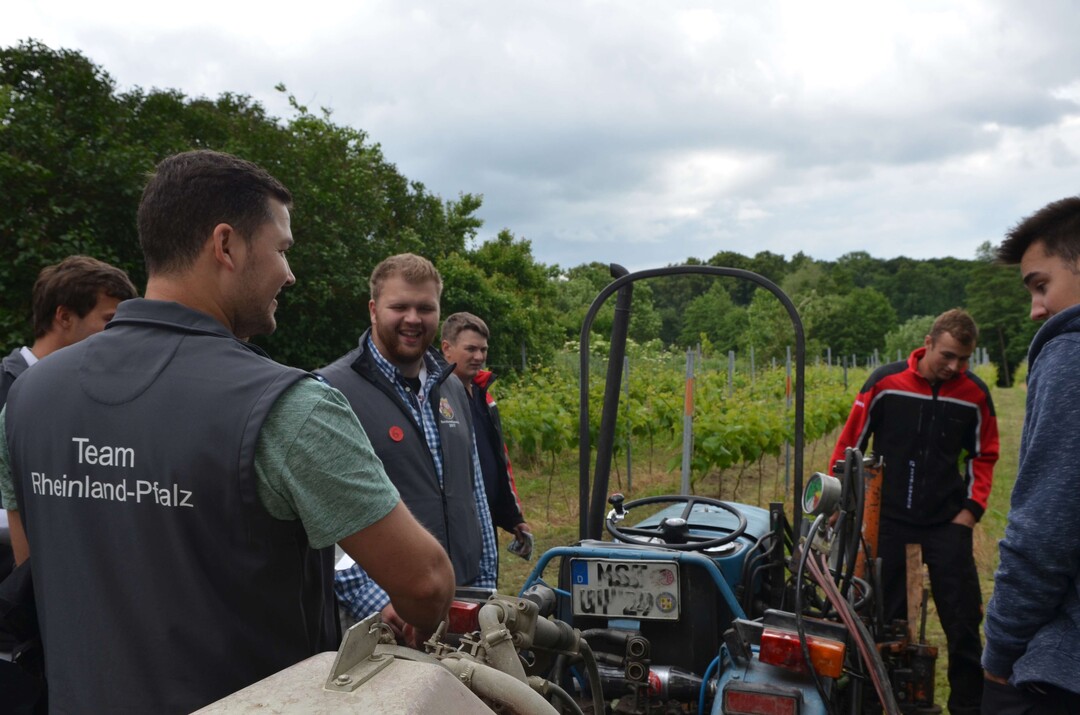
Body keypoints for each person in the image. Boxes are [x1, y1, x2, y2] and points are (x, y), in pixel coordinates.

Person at [0, 150, 455, 714]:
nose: (289, 273)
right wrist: (412, 614)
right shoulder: (288, 406)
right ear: (226, 245)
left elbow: (36, 568)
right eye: (282, 249)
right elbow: (427, 582)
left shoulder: (27, 397)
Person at [319, 254, 498, 639]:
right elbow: (321, 514)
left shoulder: (452, 387)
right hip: (384, 615)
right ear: (373, 309)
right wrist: (374, 601)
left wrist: (486, 583)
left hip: (461, 601)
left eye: (425, 308)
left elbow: (475, 492)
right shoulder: (332, 392)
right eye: (399, 306)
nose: (413, 318)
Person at [830, 308, 998, 715]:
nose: (955, 366)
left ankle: (967, 706)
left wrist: (970, 513)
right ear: (929, 343)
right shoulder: (886, 383)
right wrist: (839, 501)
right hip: (888, 519)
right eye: (947, 356)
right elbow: (851, 442)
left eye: (963, 359)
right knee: (885, 621)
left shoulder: (973, 394)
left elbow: (984, 455)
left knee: (962, 622)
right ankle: (883, 702)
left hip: (947, 521)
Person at [981, 196, 1080, 714]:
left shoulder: (1071, 354)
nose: (1035, 309)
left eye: (1042, 285)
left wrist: (999, 657)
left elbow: (1044, 534)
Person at [440, 312, 532, 564]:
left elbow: (499, 461)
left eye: (483, 349)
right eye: (470, 349)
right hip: (452, 529)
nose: (479, 357)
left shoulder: (484, 397)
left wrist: (514, 517)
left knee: (487, 596)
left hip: (486, 521)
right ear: (446, 349)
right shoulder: (435, 398)